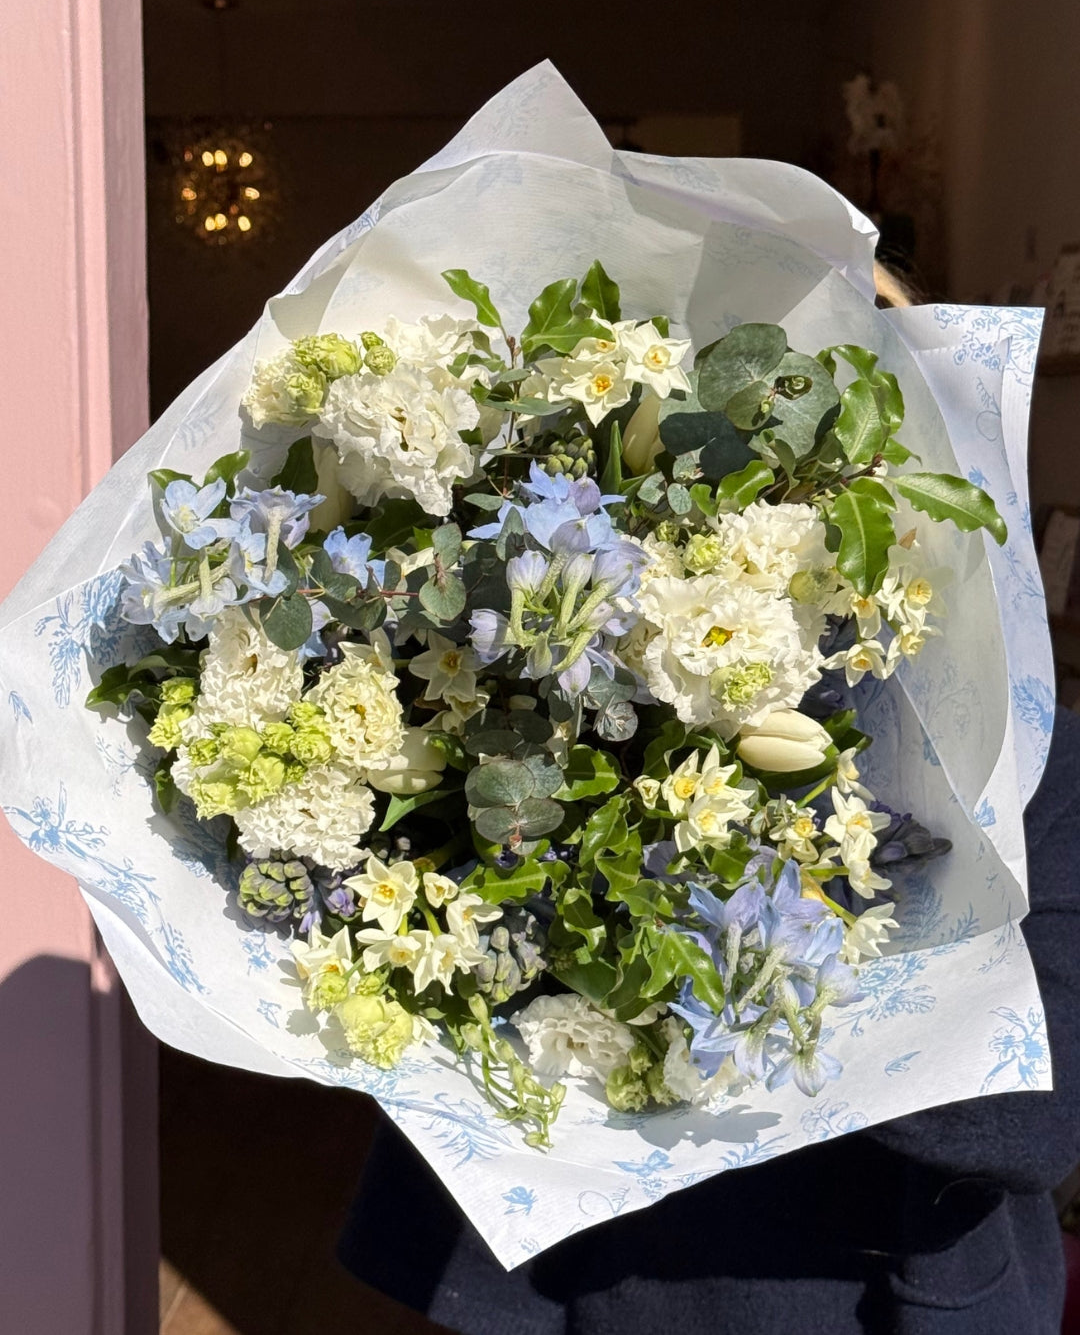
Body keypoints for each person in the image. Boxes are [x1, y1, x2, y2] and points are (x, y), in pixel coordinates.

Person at [337, 269, 1080, 1334]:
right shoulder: (532, 699)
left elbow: (1036, 1118)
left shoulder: (1036, 764)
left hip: (865, 1298)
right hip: (574, 1281)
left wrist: (728, 928)